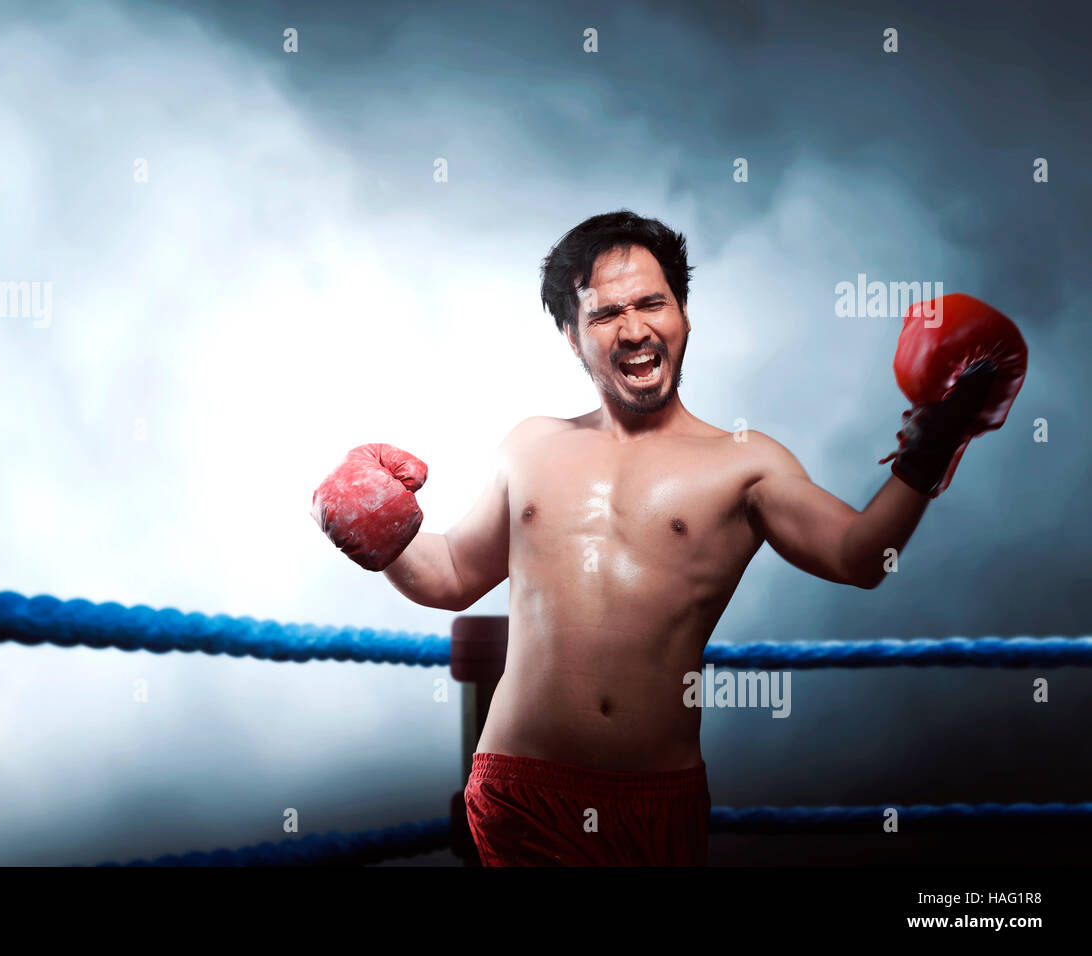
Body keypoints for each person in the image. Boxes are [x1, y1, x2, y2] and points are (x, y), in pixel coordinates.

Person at [310, 210, 1027, 866]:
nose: (634, 329)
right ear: (571, 336)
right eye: (606, 313)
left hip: (653, 803)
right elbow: (452, 576)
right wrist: (386, 539)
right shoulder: (529, 446)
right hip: (519, 788)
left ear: (683, 314)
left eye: (653, 303)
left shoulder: (746, 463)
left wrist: (931, 447)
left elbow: (859, 558)